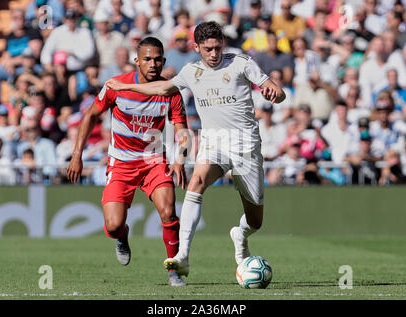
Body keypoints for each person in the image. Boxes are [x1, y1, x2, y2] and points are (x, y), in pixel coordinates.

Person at [105, 21, 285, 277]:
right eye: (208, 49)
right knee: (196, 182)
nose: (214, 54)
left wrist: (274, 94)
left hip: (245, 147)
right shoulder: (191, 72)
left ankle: (240, 234)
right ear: (197, 47)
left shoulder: (242, 63)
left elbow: (278, 93)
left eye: (217, 48)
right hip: (214, 143)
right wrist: (125, 86)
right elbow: (162, 87)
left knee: (255, 220)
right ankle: (183, 256)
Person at [66, 37, 189, 287]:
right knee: (113, 226)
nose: (153, 64)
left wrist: (180, 157)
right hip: (121, 162)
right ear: (136, 61)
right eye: (147, 59)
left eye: (157, 59)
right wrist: (77, 155)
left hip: (154, 160)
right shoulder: (116, 86)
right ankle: (122, 237)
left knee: (168, 211)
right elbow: (90, 116)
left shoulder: (170, 91)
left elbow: (182, 130)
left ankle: (173, 270)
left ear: (164, 61)